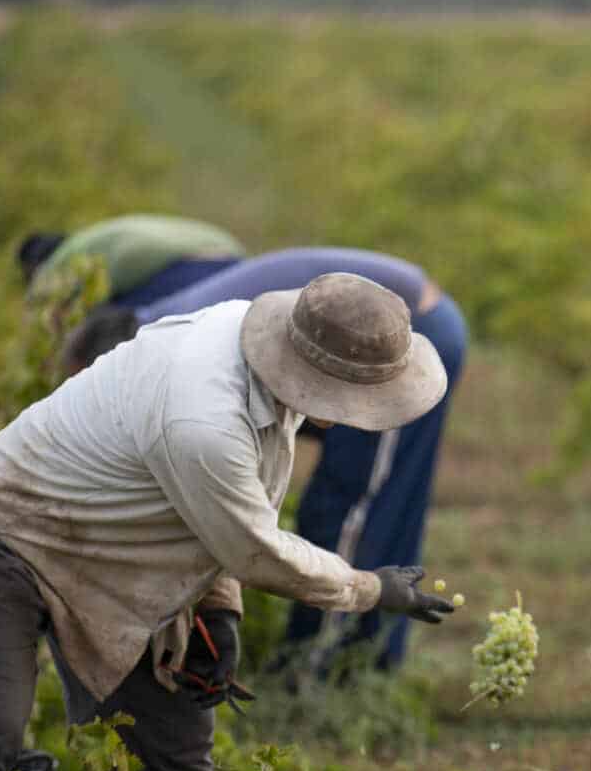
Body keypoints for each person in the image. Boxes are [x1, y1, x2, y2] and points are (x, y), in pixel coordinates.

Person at [0, 273, 456, 771]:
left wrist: (218, 612)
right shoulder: (205, 420)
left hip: (121, 558)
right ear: (314, 373)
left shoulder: (265, 362)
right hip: (0, 534)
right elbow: (257, 550)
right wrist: (368, 588)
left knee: (173, 759)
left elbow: (223, 510)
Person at [63, 247, 468, 675]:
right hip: (373, 327)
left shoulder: (179, 369)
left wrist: (367, 589)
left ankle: (319, 671)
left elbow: (244, 536)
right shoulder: (162, 339)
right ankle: (361, 655)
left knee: (353, 505)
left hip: (399, 335)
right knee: (368, 500)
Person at [18, 213, 247, 306]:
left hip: (187, 269)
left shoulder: (57, 263)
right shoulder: (95, 237)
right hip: (234, 259)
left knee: (118, 327)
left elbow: (38, 304)